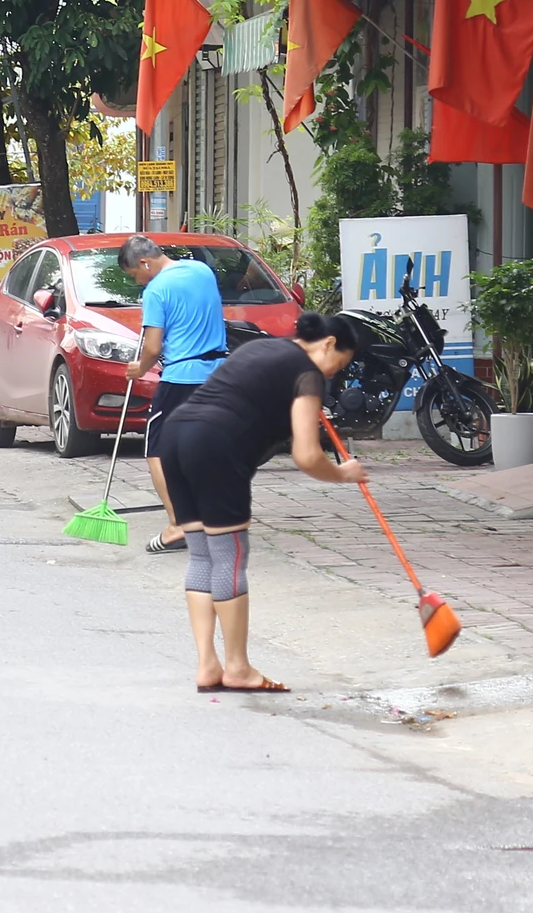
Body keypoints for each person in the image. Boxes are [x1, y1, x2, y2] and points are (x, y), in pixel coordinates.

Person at [158, 311, 373, 692]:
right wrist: (343, 473)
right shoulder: (307, 374)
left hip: (176, 436)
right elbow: (307, 456)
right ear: (327, 344)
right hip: (215, 444)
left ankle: (208, 665)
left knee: (202, 556)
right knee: (229, 555)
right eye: (339, 364)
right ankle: (238, 667)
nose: (332, 375)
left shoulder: (259, 348)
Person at [119, 236, 225, 556]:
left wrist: (140, 368)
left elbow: (152, 347)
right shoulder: (202, 271)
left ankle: (178, 524)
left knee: (158, 451)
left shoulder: (156, 291)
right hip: (217, 374)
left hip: (181, 379)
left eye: (134, 275)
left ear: (145, 263)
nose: (137, 281)